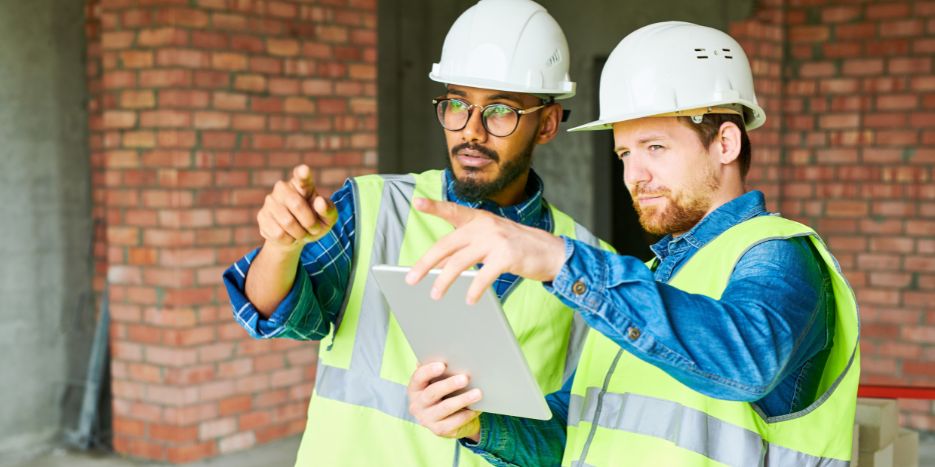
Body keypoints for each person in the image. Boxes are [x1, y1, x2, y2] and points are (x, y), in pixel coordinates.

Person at [405, 21, 860, 466]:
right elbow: (573, 434)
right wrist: (477, 426)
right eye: (625, 153)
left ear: (725, 143)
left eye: (655, 147)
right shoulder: (650, 280)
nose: (634, 177)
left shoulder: (778, 253)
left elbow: (747, 362)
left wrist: (558, 259)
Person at [222, 1, 608, 465]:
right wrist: (281, 247)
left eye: (501, 111)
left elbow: (572, 439)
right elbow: (271, 315)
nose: (471, 132)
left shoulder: (584, 261)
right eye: (458, 104)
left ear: (546, 124)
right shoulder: (375, 207)